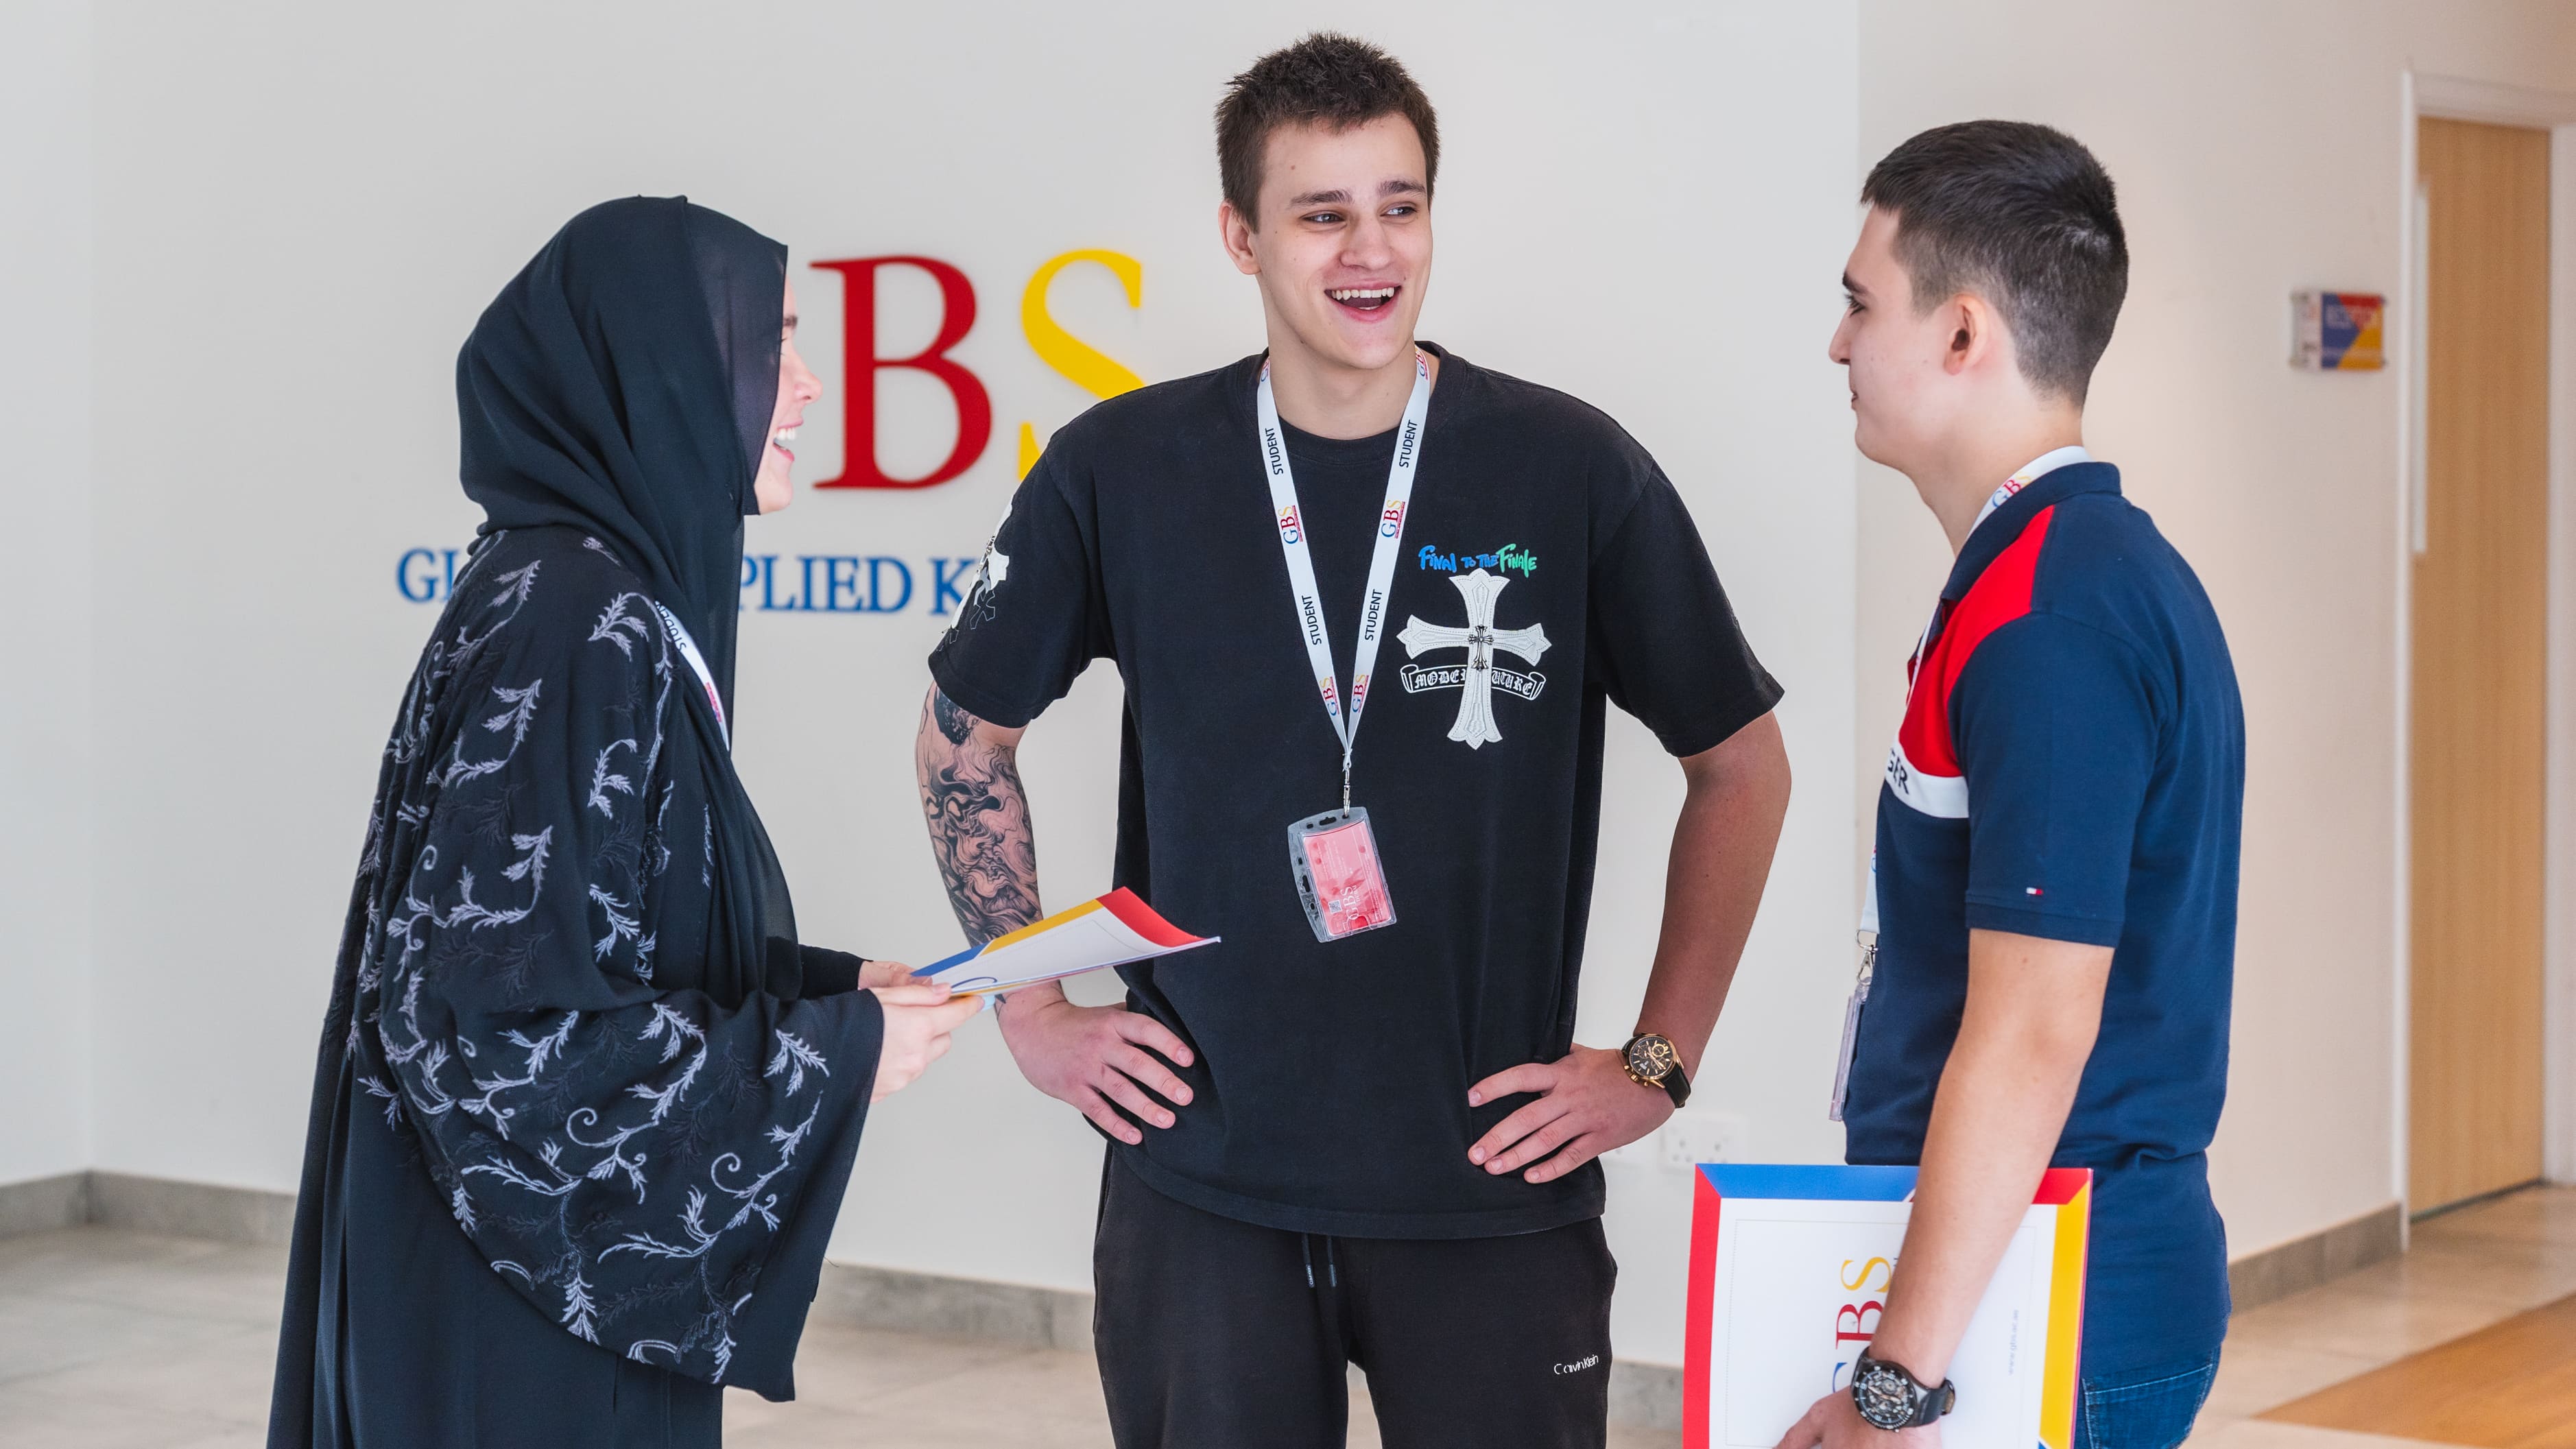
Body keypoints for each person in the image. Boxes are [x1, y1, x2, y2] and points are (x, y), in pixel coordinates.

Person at [915, 34, 1791, 1449]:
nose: (1370, 250)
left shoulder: (1570, 468)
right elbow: (964, 742)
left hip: (1490, 1175)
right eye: (1323, 214)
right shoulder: (1120, 469)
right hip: (1204, 1184)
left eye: (1401, 205)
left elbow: (1741, 765)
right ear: (1241, 236)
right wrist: (1031, 1010)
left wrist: (1658, 1060)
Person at [269, 197, 981, 1448]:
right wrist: (833, 1054)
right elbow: (502, 1032)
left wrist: (823, 990)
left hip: (511, 1283)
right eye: (775, 342)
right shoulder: (573, 618)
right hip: (517, 1325)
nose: (809, 384)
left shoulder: (576, 590)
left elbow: (585, 931)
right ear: (660, 370)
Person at [1779, 123, 2244, 1449]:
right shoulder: (2060, 571)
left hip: (2056, 1307)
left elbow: (2036, 1026)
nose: (1838, 344)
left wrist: (1895, 1384)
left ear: (1963, 333)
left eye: (1861, 303)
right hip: (2029, 1281)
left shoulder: (2053, 618)